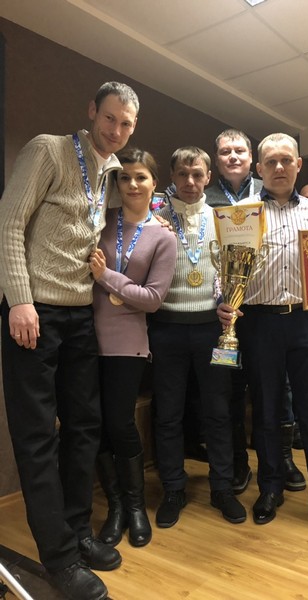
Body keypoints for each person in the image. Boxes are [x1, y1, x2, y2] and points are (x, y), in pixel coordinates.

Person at [0, 81, 139, 600]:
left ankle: (78, 531)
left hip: (80, 312)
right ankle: (58, 559)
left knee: (84, 427)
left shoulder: (110, 172)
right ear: (92, 112)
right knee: (38, 436)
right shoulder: (49, 150)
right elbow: (8, 224)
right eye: (110, 118)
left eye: (126, 124)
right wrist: (19, 299)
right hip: (34, 311)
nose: (116, 130)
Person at [218, 133, 308, 544]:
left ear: (298, 164)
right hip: (258, 322)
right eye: (270, 161)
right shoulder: (240, 214)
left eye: (286, 160)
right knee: (265, 410)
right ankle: (270, 488)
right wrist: (223, 300)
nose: (278, 167)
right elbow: (225, 270)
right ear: (259, 168)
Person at [148, 146, 246, 528]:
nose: (190, 182)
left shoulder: (224, 220)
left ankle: (222, 487)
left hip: (213, 330)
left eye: (197, 174)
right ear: (172, 177)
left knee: (218, 412)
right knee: (168, 414)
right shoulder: (155, 218)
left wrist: (227, 303)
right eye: (183, 174)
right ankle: (173, 488)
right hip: (166, 329)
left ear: (208, 177)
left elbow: (231, 272)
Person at [207, 128, 305, 495]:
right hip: (226, 316)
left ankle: (284, 459)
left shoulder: (270, 193)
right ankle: (238, 462)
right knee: (231, 391)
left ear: (253, 161)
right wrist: (221, 301)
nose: (233, 157)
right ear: (217, 159)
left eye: (239, 151)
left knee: (280, 391)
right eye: (225, 151)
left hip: (266, 313)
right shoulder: (205, 199)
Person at [89, 148, 177, 549]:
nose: (133, 184)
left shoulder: (164, 236)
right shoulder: (100, 221)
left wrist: (106, 276)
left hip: (128, 343)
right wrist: (120, 288)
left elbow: (152, 299)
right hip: (86, 338)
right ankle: (116, 509)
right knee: (95, 425)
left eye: (140, 177)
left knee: (121, 422)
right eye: (124, 177)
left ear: (154, 183)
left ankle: (137, 507)